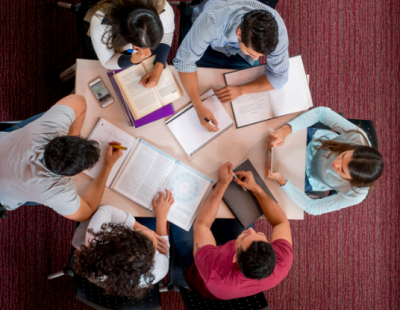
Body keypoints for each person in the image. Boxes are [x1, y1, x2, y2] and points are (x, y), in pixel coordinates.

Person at [171, 162, 293, 300]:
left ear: (234, 257)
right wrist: (256, 189)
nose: (252, 230)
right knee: (241, 204)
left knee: (178, 211)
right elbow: (281, 222)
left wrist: (222, 184)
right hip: (231, 264)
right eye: (259, 234)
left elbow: (202, 225)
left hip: (200, 272)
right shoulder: (282, 261)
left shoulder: (213, 271)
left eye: (247, 236)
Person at [173, 0, 289, 132]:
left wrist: (241, 90)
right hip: (211, 43)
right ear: (239, 33)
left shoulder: (277, 32)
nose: (254, 60)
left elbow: (279, 77)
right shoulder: (212, 21)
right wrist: (198, 106)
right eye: (251, 53)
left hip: (238, 50)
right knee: (191, 95)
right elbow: (184, 62)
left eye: (260, 56)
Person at [0, 94, 123, 222]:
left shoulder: (49, 128)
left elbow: (79, 100)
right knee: (52, 201)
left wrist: (73, 140)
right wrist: (108, 166)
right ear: (68, 176)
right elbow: (86, 213)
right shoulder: (53, 191)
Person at [266, 107, 384, 215]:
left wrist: (283, 182)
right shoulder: (357, 138)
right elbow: (322, 113)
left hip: (310, 177)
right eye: (343, 156)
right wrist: (286, 130)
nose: (335, 163)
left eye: (342, 170)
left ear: (352, 181)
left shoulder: (356, 194)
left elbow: (313, 208)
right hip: (313, 142)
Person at [72, 190, 174, 298]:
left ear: (121, 235)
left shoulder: (98, 239)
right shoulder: (159, 271)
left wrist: (142, 229)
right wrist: (161, 218)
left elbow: (106, 209)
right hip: (109, 277)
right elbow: (164, 248)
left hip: (94, 258)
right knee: (149, 216)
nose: (151, 232)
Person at [86, 0, 175, 88]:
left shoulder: (164, 9)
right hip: (106, 35)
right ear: (126, 38)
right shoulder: (101, 26)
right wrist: (131, 60)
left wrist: (159, 66)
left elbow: (167, 33)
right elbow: (107, 61)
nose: (148, 49)